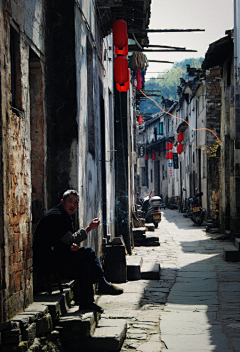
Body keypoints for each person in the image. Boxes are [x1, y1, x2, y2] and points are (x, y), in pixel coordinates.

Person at [34, 189, 123, 313]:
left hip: (57, 255)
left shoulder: (65, 216)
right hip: (48, 260)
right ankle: (101, 283)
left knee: (85, 262)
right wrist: (88, 228)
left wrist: (73, 245)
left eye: (76, 202)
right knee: (88, 253)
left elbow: (65, 240)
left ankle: (87, 302)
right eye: (70, 201)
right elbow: (69, 239)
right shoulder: (56, 216)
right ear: (62, 201)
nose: (73, 205)